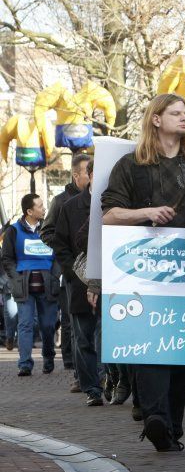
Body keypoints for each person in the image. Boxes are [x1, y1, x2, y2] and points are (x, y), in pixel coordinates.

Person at [101, 93, 185, 452]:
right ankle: (156, 419)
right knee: (148, 347)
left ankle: (170, 426)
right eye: (176, 113)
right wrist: (147, 212)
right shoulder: (131, 165)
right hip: (141, 269)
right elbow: (109, 214)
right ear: (156, 119)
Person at [48, 158, 104, 405]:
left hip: (110, 281)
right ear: (89, 175)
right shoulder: (69, 206)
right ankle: (92, 388)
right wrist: (72, 271)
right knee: (83, 336)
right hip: (79, 282)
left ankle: (111, 380)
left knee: (110, 334)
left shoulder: (116, 205)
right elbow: (59, 242)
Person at [41, 152, 90, 374]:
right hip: (72, 271)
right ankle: (74, 368)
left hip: (95, 271)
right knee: (73, 323)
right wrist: (68, 258)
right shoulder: (60, 201)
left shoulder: (101, 199)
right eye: (87, 173)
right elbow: (48, 232)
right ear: (75, 175)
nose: (91, 177)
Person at [1, 193, 59, 377]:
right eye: (40, 206)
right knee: (25, 324)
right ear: (29, 211)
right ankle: (24, 364)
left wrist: (54, 275)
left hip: (47, 285)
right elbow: (7, 258)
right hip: (23, 286)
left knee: (48, 326)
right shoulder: (13, 231)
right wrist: (15, 278)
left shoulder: (50, 230)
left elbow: (58, 255)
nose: (44, 209)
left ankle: (48, 357)